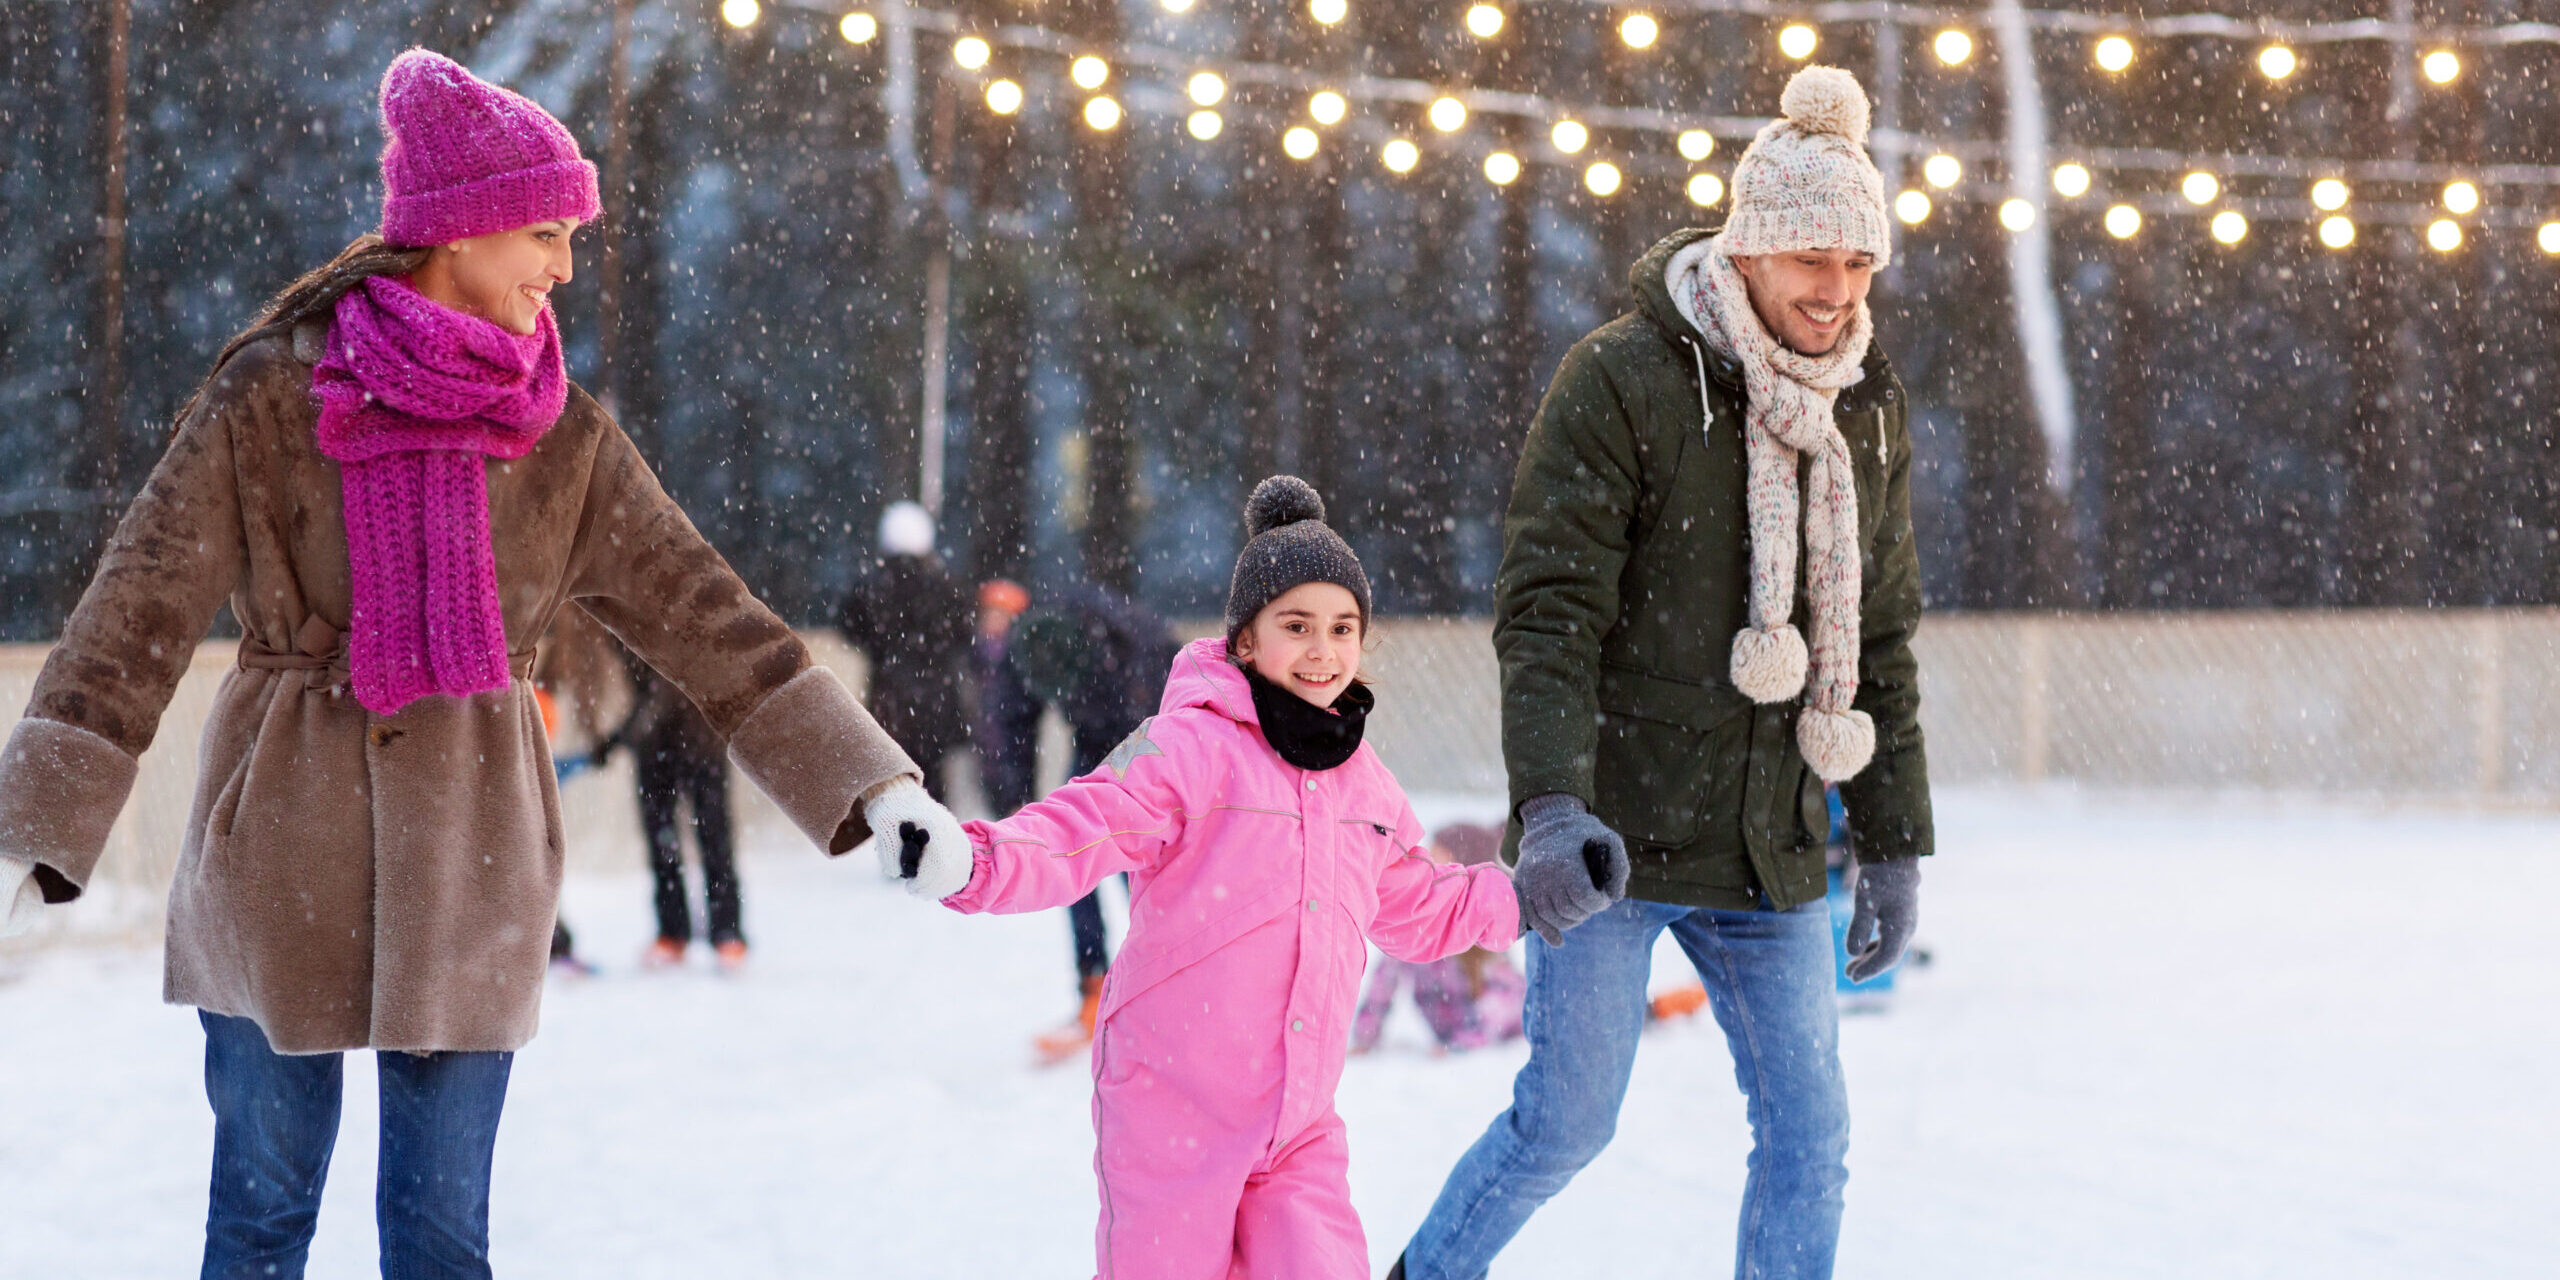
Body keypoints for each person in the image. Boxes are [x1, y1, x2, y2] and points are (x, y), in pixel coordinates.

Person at [0, 51, 965, 1279]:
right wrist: (34, 822)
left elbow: (708, 616)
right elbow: (133, 611)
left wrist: (870, 784)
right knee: (256, 1220)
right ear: (456, 229)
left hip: (470, 857)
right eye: (545, 231)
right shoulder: (270, 396)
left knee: (445, 1239)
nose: (563, 266)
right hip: (278, 849)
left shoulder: (560, 431)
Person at [1392, 66, 1935, 1280]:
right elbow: (1548, 615)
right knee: (1565, 1124)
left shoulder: (1868, 402)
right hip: (1614, 841)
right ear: (1746, 249)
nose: (1835, 293)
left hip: (1771, 843)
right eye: (1810, 261)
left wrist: (1891, 835)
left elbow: (1880, 630)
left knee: (1812, 1139)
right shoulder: (1625, 378)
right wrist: (1550, 806)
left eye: (1858, 266)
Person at [887, 477, 1608, 1279]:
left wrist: (1526, 894)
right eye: (1295, 626)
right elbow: (1079, 827)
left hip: (1298, 1127)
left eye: (1342, 629)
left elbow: (1415, 903)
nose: (1321, 650)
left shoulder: (1362, 782)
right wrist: (972, 861)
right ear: (1243, 641)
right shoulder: (1186, 747)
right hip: (1171, 1110)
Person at [1007, 577, 1181, 1062]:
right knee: (1071, 852)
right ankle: (1093, 986)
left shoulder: (1135, 650)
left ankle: (1160, 988)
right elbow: (1012, 720)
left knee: (1139, 864)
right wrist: (1015, 798)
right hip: (1092, 736)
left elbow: (1177, 713)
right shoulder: (1032, 642)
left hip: (1148, 738)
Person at [596, 654, 745, 972]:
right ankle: (672, 932)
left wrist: (620, 737)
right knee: (661, 842)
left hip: (702, 741)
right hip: (654, 749)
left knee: (714, 838)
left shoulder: (684, 615)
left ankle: (727, 932)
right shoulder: (623, 617)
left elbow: (664, 690)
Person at [838, 500, 975, 801]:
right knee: (935, 788)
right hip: (938, 702)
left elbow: (849, 626)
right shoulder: (945, 586)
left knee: (895, 792)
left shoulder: (872, 588)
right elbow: (966, 631)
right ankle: (939, 844)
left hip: (891, 703)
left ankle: (901, 844)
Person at [1350, 823, 1527, 1055]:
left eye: (1436, 855)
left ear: (1459, 868)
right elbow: (1383, 983)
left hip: (1493, 1042)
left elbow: (1502, 1006)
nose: (1426, 864)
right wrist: (1366, 1037)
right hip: (1447, 1039)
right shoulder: (1415, 925)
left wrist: (1460, 1043)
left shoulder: (1484, 944)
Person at [970, 577, 1041, 818]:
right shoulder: (975, 658)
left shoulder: (1020, 664)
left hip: (1013, 764)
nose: (992, 620)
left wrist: (1017, 788)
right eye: (989, 613)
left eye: (1000, 614)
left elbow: (1017, 728)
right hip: (984, 759)